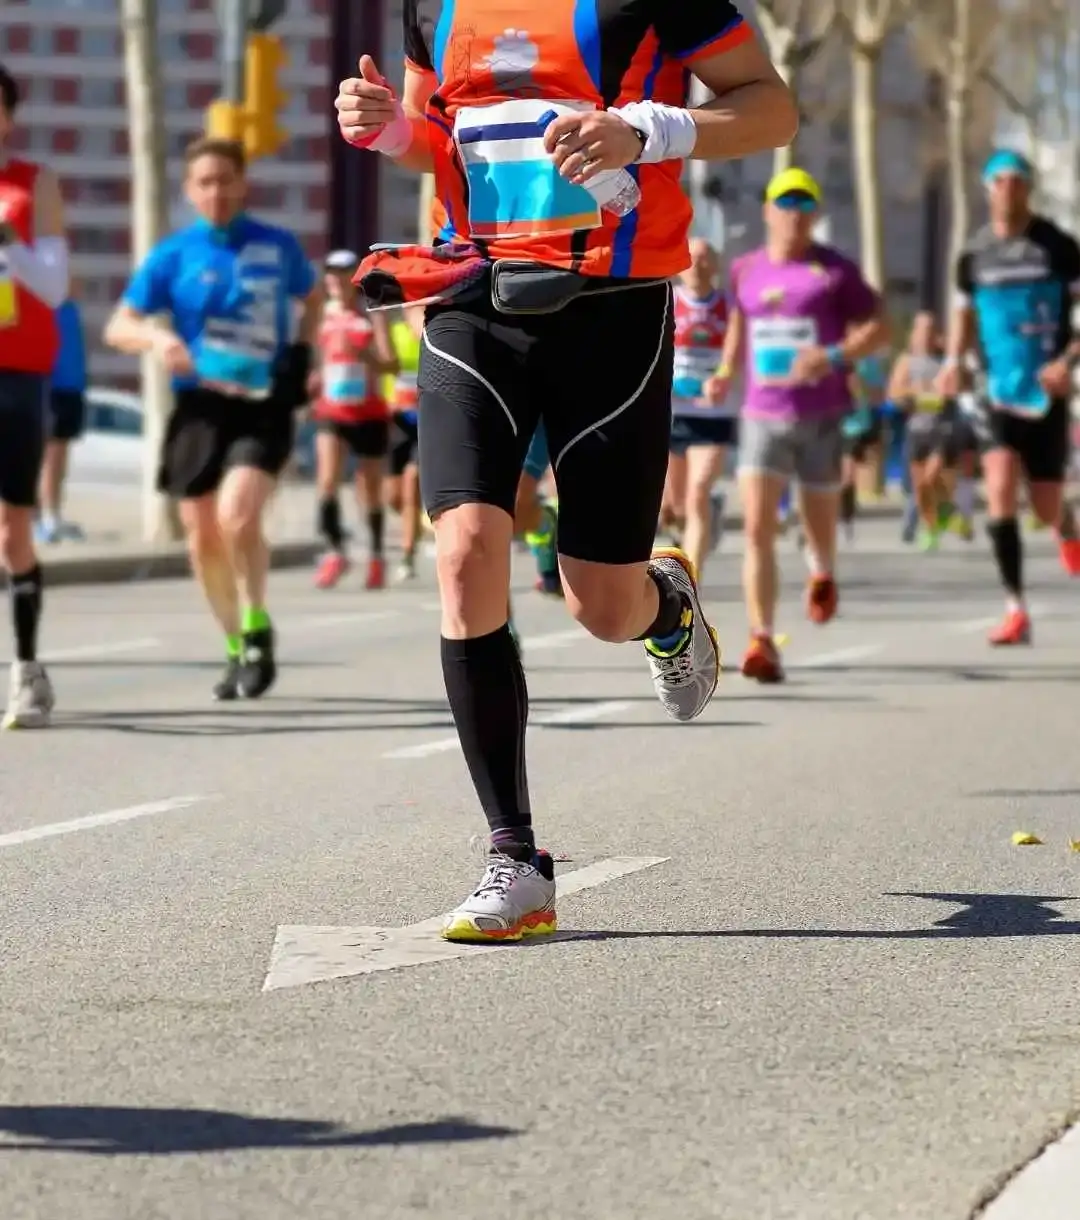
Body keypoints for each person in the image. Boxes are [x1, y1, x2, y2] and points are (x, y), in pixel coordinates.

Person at [336, 1, 796, 940]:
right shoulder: (435, 6)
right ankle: (515, 858)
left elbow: (772, 110)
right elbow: (439, 140)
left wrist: (647, 129)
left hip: (614, 311)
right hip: (472, 297)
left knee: (600, 606)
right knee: (465, 554)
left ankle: (664, 607)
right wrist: (390, 129)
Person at [104, 137, 318, 699]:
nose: (216, 191)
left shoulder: (277, 246)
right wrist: (157, 337)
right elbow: (118, 326)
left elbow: (312, 298)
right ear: (189, 190)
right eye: (205, 181)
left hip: (262, 402)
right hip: (199, 404)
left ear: (243, 184)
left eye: (226, 179)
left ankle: (255, 622)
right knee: (201, 536)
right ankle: (233, 643)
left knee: (238, 516)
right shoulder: (174, 255)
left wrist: (301, 354)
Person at [712, 168, 888, 684]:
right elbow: (740, 324)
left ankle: (822, 572)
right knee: (758, 531)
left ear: (814, 215)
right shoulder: (745, 269)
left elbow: (880, 328)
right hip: (762, 417)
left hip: (822, 417)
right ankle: (761, 638)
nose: (793, 213)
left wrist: (832, 355)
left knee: (819, 526)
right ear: (767, 210)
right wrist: (726, 371)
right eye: (784, 203)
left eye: (802, 204)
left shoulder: (835, 272)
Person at [938, 149, 1080, 646]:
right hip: (995, 389)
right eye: (999, 181)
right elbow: (962, 315)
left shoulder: (1058, 247)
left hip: (1046, 390)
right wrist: (953, 362)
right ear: (987, 188)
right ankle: (1015, 607)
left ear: (1029, 188)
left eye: (1017, 181)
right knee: (998, 487)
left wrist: (1067, 362)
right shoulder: (972, 255)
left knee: (1041, 507)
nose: (1008, 190)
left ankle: (1064, 521)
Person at [0, 64, 68, 729]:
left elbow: (53, 288)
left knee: (10, 526)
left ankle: (26, 670)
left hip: (15, 372)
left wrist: (9, 243)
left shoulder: (32, 183)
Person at [310, 248, 398, 591]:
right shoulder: (322, 314)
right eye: (331, 273)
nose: (336, 280)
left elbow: (391, 364)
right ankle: (335, 552)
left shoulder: (370, 314)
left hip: (369, 412)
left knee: (370, 489)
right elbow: (319, 357)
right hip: (332, 411)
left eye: (343, 273)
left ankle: (376, 555)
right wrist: (314, 378)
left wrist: (366, 356)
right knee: (327, 481)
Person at [665, 237, 734, 578]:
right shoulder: (668, 300)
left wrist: (723, 377)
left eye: (707, 258)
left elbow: (740, 354)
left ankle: (690, 582)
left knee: (696, 494)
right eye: (693, 257)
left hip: (713, 415)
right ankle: (700, 519)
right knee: (673, 507)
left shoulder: (729, 307)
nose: (699, 264)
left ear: (716, 265)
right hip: (671, 414)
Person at [889, 310, 974, 550]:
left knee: (932, 475)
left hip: (944, 427)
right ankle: (935, 524)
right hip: (917, 428)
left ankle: (943, 514)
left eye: (930, 330)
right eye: (921, 330)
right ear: (913, 334)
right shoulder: (906, 361)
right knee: (922, 486)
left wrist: (953, 373)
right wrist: (913, 393)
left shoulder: (947, 359)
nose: (925, 336)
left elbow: (966, 383)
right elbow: (894, 394)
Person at [39, 291, 87, 543]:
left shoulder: (70, 308)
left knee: (60, 453)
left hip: (71, 386)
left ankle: (53, 513)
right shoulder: (38, 301)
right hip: (47, 384)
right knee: (49, 454)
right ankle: (44, 518)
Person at [384, 303, 424, 583]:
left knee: (412, 485)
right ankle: (420, 523)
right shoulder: (392, 331)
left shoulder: (431, 332)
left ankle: (407, 554)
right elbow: (383, 371)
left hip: (426, 421)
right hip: (397, 419)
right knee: (394, 497)